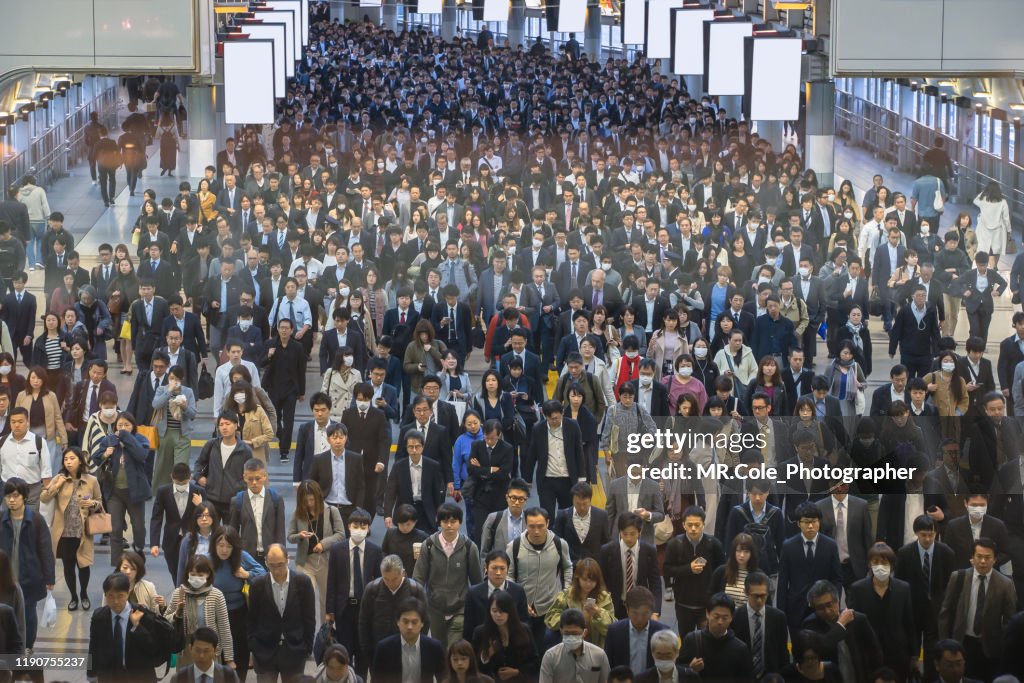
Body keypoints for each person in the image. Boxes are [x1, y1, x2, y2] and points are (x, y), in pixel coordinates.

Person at [938, 537, 1018, 681]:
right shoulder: (959, 577)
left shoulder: (1005, 584)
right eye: (979, 556)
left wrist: (1002, 645)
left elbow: (1010, 618)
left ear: (994, 560)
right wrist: (945, 643)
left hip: (990, 649)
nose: (982, 561)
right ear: (972, 558)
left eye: (987, 557)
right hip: (961, 643)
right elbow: (945, 612)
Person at [40, 446, 101, 611]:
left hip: (83, 530)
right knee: (68, 566)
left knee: (84, 564)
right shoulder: (59, 478)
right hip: (64, 531)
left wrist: (93, 504)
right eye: (66, 459)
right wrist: (56, 485)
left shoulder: (92, 480)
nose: (69, 462)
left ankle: (84, 594)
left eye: (72, 458)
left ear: (80, 460)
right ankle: (73, 596)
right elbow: (44, 497)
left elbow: (100, 502)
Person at [413, 503, 483, 647]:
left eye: (453, 521)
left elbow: (477, 581)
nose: (449, 525)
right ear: (439, 523)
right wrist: (418, 604)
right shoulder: (428, 545)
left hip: (460, 608)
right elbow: (419, 577)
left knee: (454, 649)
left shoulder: (469, 547)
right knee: (439, 648)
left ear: (460, 522)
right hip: (435, 608)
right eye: (445, 522)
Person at [247, 544, 316, 683]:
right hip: (265, 651)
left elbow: (309, 618)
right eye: (272, 565)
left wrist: (307, 648)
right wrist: (253, 646)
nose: (277, 570)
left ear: (287, 559)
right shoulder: (257, 585)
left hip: (295, 651)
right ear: (266, 562)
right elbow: (251, 619)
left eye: (280, 564)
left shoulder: (303, 582)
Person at [326, 507, 382, 677]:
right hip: (344, 609)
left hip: (365, 610)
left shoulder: (375, 550)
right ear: (349, 526)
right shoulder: (337, 549)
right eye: (356, 526)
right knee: (344, 654)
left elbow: (379, 582)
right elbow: (332, 581)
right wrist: (330, 610)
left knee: (363, 655)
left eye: (363, 527)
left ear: (368, 529)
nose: (359, 530)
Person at [0, 478, 53, 652]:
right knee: (5, 613)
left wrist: (49, 577)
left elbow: (45, 550)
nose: (12, 500)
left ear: (24, 497)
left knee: (28, 615)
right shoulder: (1, 519)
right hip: (5, 578)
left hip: (29, 577)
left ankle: (28, 646)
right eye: (8, 496)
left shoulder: (36, 520)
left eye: (15, 496)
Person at [93, 411, 152, 566]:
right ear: (115, 426)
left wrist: (127, 438)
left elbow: (142, 455)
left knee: (138, 528)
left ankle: (138, 550)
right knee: (115, 528)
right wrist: (106, 453)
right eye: (120, 425)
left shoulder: (140, 439)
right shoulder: (109, 440)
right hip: (114, 493)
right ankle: (117, 564)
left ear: (133, 426)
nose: (123, 428)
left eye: (127, 424)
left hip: (135, 492)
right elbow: (96, 458)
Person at [210, 525, 266, 683]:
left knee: (240, 652)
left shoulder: (242, 556)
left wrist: (246, 574)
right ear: (214, 545)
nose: (224, 550)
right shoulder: (207, 559)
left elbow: (263, 573)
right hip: (215, 613)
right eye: (220, 545)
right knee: (218, 653)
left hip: (239, 613)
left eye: (229, 546)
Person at [87, 572, 166, 683]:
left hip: (139, 677)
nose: (115, 601)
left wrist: (137, 627)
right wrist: (91, 674)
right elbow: (93, 647)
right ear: (105, 595)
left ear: (127, 593)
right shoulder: (99, 617)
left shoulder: (142, 613)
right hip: (109, 676)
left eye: (120, 596)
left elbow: (152, 648)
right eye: (110, 596)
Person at [777, 503, 843, 631]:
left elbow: (837, 578)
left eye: (814, 521)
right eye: (806, 522)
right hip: (796, 608)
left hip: (824, 608)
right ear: (798, 523)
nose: (811, 526)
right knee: (798, 647)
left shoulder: (830, 545)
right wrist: (781, 612)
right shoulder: (788, 546)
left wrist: (832, 603)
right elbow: (783, 582)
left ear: (819, 522)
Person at [802, 579, 884, 682]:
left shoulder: (858, 619)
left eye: (829, 605)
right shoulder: (810, 624)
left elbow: (875, 651)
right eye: (820, 608)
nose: (827, 611)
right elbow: (823, 648)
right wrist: (840, 624)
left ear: (837, 601)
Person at [663, 505, 726, 635]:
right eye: (689, 524)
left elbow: (722, 572)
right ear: (683, 525)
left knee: (707, 642)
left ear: (703, 524)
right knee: (686, 641)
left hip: (707, 604)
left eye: (697, 525)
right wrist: (688, 569)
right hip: (683, 603)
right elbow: (667, 570)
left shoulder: (714, 544)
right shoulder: (675, 544)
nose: (693, 529)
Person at [289, 479, 345, 624]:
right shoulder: (297, 513)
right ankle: (309, 628)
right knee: (309, 594)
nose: (309, 503)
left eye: (312, 499)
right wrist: (299, 536)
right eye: (305, 500)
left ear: (318, 497)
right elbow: (290, 537)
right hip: (305, 561)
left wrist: (323, 544)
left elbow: (340, 534)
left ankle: (326, 631)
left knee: (325, 600)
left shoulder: (332, 511)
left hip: (325, 561)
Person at [166, 554, 235, 669]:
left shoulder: (216, 595)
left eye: (200, 575)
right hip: (186, 651)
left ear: (208, 575)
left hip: (210, 649)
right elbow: (166, 620)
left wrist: (229, 658)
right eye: (192, 574)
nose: (196, 578)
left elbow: (224, 628)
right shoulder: (179, 593)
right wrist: (177, 613)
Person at [523, 401, 587, 520]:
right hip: (546, 480)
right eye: (551, 419)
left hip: (568, 480)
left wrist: (582, 477)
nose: (554, 421)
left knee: (567, 516)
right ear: (545, 416)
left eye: (557, 418)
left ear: (562, 413)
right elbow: (532, 455)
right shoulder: (538, 429)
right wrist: (527, 479)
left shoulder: (573, 426)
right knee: (548, 516)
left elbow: (579, 452)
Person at [597, 512, 662, 622]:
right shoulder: (607, 551)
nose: (628, 538)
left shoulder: (649, 551)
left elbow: (655, 583)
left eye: (633, 534)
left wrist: (655, 611)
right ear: (620, 532)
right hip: (614, 606)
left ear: (640, 532)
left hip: (640, 606)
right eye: (625, 533)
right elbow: (601, 580)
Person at [149, 462, 205, 584]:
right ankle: (179, 598)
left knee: (192, 573)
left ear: (190, 477)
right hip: (171, 541)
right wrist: (154, 543)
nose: (181, 486)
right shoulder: (163, 491)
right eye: (178, 483)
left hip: (192, 539)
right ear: (171, 477)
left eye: (184, 483)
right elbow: (156, 518)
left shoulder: (199, 492)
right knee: (176, 575)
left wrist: (200, 505)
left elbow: (208, 517)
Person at [382, 429, 447, 533]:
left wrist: (438, 513)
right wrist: (388, 514)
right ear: (406, 448)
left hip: (426, 512)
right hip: (405, 511)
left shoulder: (433, 466)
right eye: (411, 447)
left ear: (423, 447)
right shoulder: (398, 466)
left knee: (427, 544)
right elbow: (390, 492)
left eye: (417, 446)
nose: (414, 450)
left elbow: (438, 492)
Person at [678, 592, 754, 680]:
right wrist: (690, 669)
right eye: (716, 617)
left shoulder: (740, 648)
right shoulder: (692, 640)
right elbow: (678, 670)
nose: (720, 622)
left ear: (731, 618)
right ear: (707, 614)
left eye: (725, 618)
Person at [262, 317, 307, 463]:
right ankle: (282, 437)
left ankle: (284, 450)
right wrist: (269, 355)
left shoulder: (298, 347)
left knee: (289, 421)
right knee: (274, 419)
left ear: (292, 330)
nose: (284, 330)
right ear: (278, 329)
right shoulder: (270, 344)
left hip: (291, 390)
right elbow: (261, 363)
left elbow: (301, 370)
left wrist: (301, 392)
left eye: (287, 328)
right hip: (273, 388)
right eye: (281, 327)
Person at [369, 598, 446, 683]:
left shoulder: (434, 647)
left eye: (414, 622)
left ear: (422, 623)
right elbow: (376, 680)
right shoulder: (384, 647)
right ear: (398, 622)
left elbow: (443, 679)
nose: (410, 627)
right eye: (405, 622)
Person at [470, 589, 538, 683]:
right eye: (494, 611)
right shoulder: (480, 632)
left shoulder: (523, 630)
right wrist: (487, 656)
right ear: (489, 611)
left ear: (510, 611)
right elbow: (473, 666)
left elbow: (535, 662)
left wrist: (517, 672)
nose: (498, 615)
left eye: (502, 611)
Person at [544, 556, 615, 647]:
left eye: (592, 581)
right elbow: (550, 618)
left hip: (596, 644)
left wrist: (598, 613)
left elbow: (612, 627)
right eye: (584, 580)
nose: (588, 584)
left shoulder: (604, 598)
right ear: (578, 578)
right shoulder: (566, 595)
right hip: (569, 641)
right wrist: (571, 618)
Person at [194, 412, 252, 521]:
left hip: (233, 502)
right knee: (212, 534)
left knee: (230, 535)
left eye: (227, 424)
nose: (224, 427)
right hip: (211, 498)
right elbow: (199, 463)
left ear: (235, 426)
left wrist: (240, 489)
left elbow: (250, 475)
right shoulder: (211, 445)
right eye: (221, 425)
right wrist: (198, 477)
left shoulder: (245, 450)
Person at [228, 458, 286, 565]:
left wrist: (282, 554)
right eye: (250, 479)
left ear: (264, 476)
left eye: (257, 478)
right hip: (247, 556)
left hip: (271, 555)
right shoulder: (237, 501)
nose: (254, 483)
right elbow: (233, 531)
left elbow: (280, 531)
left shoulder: (276, 499)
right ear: (244, 477)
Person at [151, 365, 196, 488]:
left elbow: (192, 414)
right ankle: (161, 494)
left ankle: (180, 491)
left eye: (177, 379)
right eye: (171, 378)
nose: (173, 381)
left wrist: (184, 407)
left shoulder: (188, 392)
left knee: (181, 467)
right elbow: (156, 404)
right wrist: (168, 392)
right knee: (163, 467)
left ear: (182, 379)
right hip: (165, 433)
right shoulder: (162, 389)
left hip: (182, 434)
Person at [0, 407, 50, 510]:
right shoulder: (2, 442)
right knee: (6, 523)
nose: (16, 425)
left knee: (30, 522)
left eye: (20, 421)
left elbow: (46, 471)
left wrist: (46, 493)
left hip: (31, 492)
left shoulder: (39, 442)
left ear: (27, 422)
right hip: (8, 490)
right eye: (13, 422)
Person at [553, 481, 611, 563]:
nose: (582, 507)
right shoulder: (562, 515)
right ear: (572, 500)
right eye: (578, 504)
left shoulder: (602, 515)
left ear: (590, 500)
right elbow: (558, 542)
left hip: (594, 566)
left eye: (585, 504)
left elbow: (606, 542)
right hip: (570, 565)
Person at [171, 627, 241, 683]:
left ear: (215, 650)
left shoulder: (228, 676)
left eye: (206, 651)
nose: (201, 655)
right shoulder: (180, 677)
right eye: (198, 650)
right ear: (190, 648)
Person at [973, 181, 1012, 269]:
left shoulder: (983, 200)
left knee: (985, 250)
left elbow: (975, 200)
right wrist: (1009, 230)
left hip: (984, 230)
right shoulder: (1003, 202)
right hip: (998, 231)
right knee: (996, 250)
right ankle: (994, 267)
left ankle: (988, 268)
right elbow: (1006, 218)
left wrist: (983, 192)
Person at [117, 550, 165, 614]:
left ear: (138, 571)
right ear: (119, 568)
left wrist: (161, 606)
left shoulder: (148, 587)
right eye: (125, 567)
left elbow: (156, 614)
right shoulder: (111, 586)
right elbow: (105, 613)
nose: (128, 572)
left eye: (133, 569)